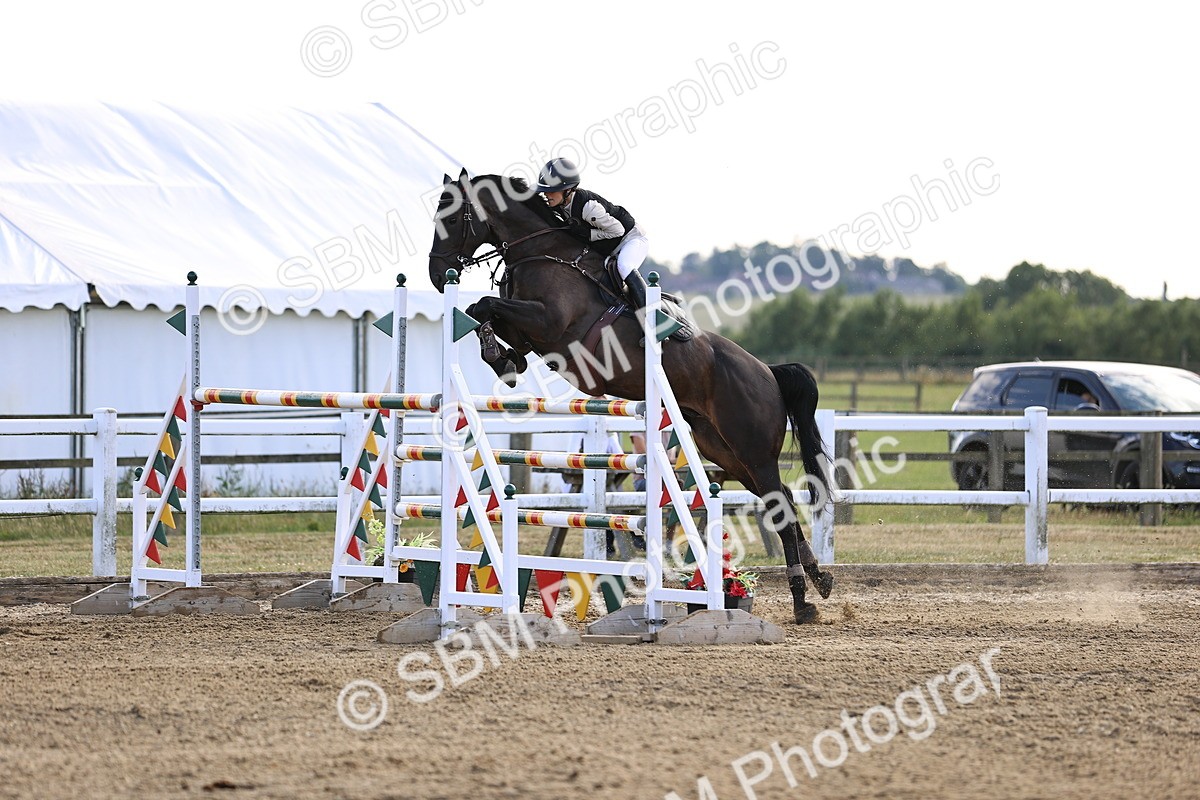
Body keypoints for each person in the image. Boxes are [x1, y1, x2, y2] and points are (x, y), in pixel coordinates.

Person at [536, 157, 651, 311]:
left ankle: (653, 314)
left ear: (567, 190)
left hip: (631, 239)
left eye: (551, 190)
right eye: (545, 190)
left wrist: (587, 234)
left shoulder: (588, 207)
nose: (546, 194)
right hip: (609, 247)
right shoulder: (559, 206)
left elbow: (617, 231)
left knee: (624, 266)